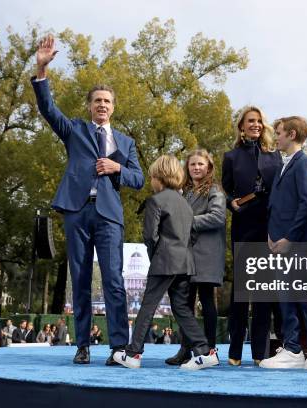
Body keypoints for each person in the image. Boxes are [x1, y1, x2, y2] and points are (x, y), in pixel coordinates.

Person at [32, 34, 144, 366]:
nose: (102, 106)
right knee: (79, 279)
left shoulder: (126, 142)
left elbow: (138, 179)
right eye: (97, 101)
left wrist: (116, 167)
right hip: (77, 212)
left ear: (113, 107)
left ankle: (118, 347)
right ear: (90, 105)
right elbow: (48, 109)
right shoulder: (75, 130)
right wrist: (41, 69)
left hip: (109, 215)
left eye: (107, 101)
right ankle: (82, 345)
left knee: (113, 281)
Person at [113, 155, 219, 370]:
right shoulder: (186, 204)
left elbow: (150, 237)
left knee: (148, 306)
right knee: (181, 308)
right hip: (186, 262)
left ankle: (133, 354)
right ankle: (204, 350)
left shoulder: (155, 201)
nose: (151, 181)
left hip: (164, 261)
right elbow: (192, 235)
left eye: (152, 177)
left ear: (159, 178)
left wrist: (155, 258)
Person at [259, 116, 307, 370]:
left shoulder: (304, 164)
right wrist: (271, 234)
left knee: (304, 295)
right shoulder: (282, 166)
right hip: (278, 242)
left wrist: (289, 237)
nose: (276, 137)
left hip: (298, 243)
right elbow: (275, 205)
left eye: (279, 133)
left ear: (293, 134)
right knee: (285, 296)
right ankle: (292, 349)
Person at [222, 105, 282, 366]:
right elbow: (223, 190)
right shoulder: (231, 156)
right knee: (241, 290)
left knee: (263, 294)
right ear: (241, 126)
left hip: (268, 228)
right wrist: (230, 203)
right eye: (250, 121)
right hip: (243, 226)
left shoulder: (274, 156)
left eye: (259, 121)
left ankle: (260, 353)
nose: (255, 125)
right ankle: (235, 352)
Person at [166, 149, 226, 365]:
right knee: (185, 303)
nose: (196, 167)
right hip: (186, 255)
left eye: (201, 164)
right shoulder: (185, 192)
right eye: (192, 164)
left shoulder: (215, 190)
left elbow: (218, 217)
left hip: (207, 255)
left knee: (207, 301)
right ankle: (186, 348)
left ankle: (210, 350)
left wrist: (186, 221)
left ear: (208, 167)